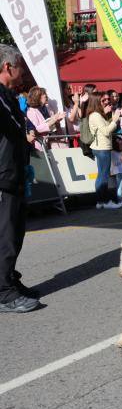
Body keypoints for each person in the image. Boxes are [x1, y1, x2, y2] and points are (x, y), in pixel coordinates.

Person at [0, 44, 41, 313]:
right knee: (4, 235)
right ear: (7, 67)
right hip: (3, 175)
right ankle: (3, 293)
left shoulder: (10, 96)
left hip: (15, 173)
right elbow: (12, 128)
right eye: (21, 68)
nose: (24, 74)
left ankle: (9, 280)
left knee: (15, 234)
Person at [86, 92, 122, 209]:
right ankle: (105, 202)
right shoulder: (96, 115)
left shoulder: (97, 114)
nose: (107, 102)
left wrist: (110, 116)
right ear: (97, 102)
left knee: (101, 175)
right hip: (102, 148)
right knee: (104, 176)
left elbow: (105, 128)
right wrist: (115, 120)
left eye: (107, 99)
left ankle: (100, 202)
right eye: (103, 100)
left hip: (101, 147)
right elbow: (106, 131)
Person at [25, 86, 67, 150]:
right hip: (42, 144)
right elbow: (36, 129)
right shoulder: (31, 111)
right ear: (37, 97)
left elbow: (54, 126)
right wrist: (52, 121)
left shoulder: (48, 108)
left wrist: (57, 121)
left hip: (55, 142)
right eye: (44, 94)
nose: (46, 96)